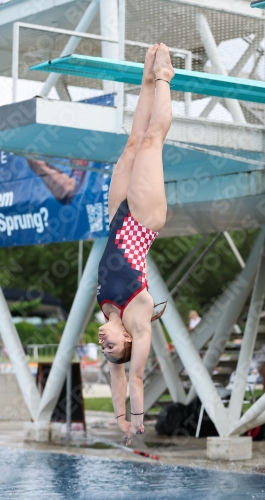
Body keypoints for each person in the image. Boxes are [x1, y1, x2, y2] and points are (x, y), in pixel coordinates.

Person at [97, 44, 174, 445]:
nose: (104, 345)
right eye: (112, 348)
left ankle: (147, 77)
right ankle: (164, 77)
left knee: (131, 142)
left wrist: (118, 419)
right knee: (150, 144)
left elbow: (114, 373)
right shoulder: (137, 319)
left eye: (103, 349)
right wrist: (138, 422)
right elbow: (134, 376)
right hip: (143, 220)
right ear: (127, 340)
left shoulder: (106, 310)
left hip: (116, 217)